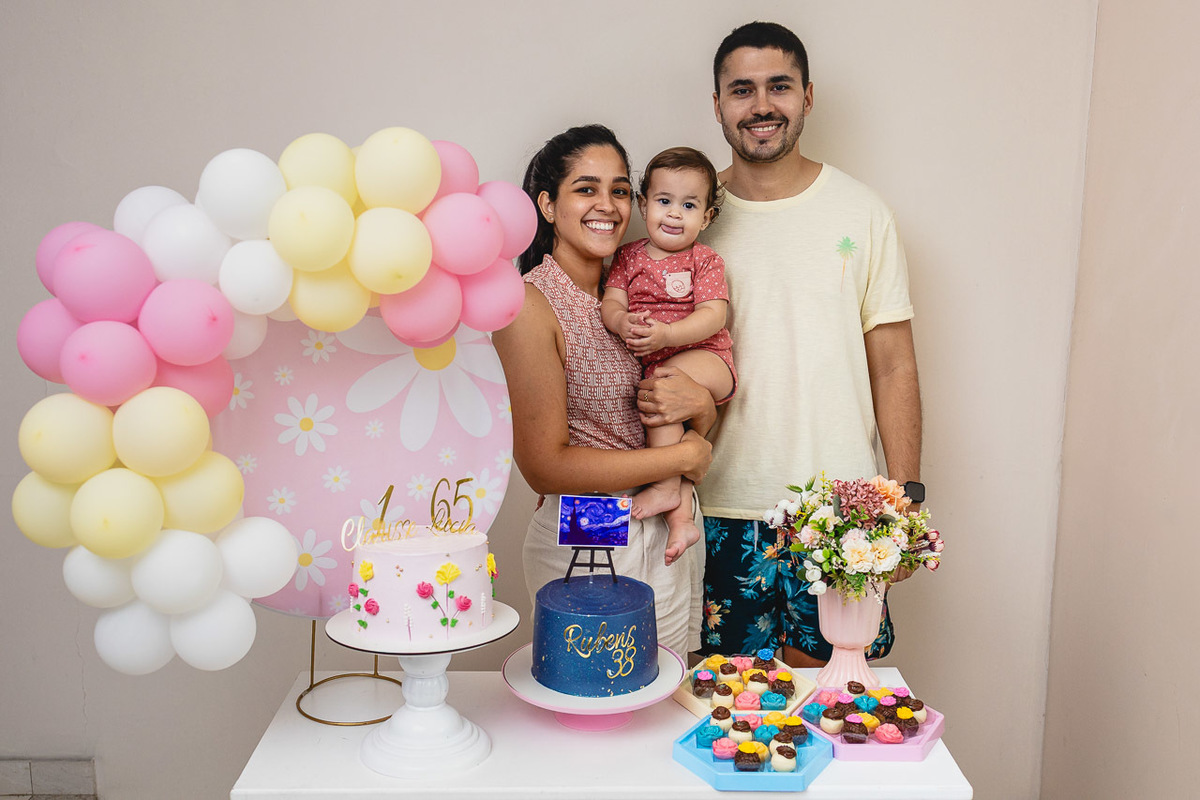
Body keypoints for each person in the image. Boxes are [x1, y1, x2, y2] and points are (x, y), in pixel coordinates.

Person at [637, 22, 922, 667]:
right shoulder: (686, 213)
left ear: (808, 96)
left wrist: (904, 502)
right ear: (717, 105)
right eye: (742, 89)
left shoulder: (862, 213)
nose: (761, 104)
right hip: (716, 504)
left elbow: (894, 364)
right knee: (726, 717)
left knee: (830, 712)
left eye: (778, 87)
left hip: (837, 516)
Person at [492, 124, 714, 657]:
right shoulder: (530, 304)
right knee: (600, 702)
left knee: (669, 695)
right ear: (547, 205)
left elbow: (685, 409)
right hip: (592, 524)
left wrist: (702, 413)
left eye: (618, 189)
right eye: (586, 189)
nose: (608, 205)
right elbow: (545, 465)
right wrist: (685, 455)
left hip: (675, 523)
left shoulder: (641, 286)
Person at [600, 147, 735, 568]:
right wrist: (621, 322)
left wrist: (668, 335)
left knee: (664, 383)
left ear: (707, 217)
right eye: (664, 201)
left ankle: (664, 486)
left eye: (689, 205)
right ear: (643, 205)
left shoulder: (704, 259)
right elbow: (610, 303)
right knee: (658, 401)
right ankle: (681, 520)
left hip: (707, 358)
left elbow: (715, 315)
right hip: (662, 366)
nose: (675, 214)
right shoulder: (628, 257)